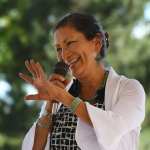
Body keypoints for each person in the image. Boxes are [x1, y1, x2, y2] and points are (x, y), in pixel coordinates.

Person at [19, 12, 145, 150]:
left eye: (70, 43)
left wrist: (62, 96)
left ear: (96, 43)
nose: (64, 55)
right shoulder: (59, 95)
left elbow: (113, 128)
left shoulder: (129, 89)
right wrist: (49, 108)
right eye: (59, 49)